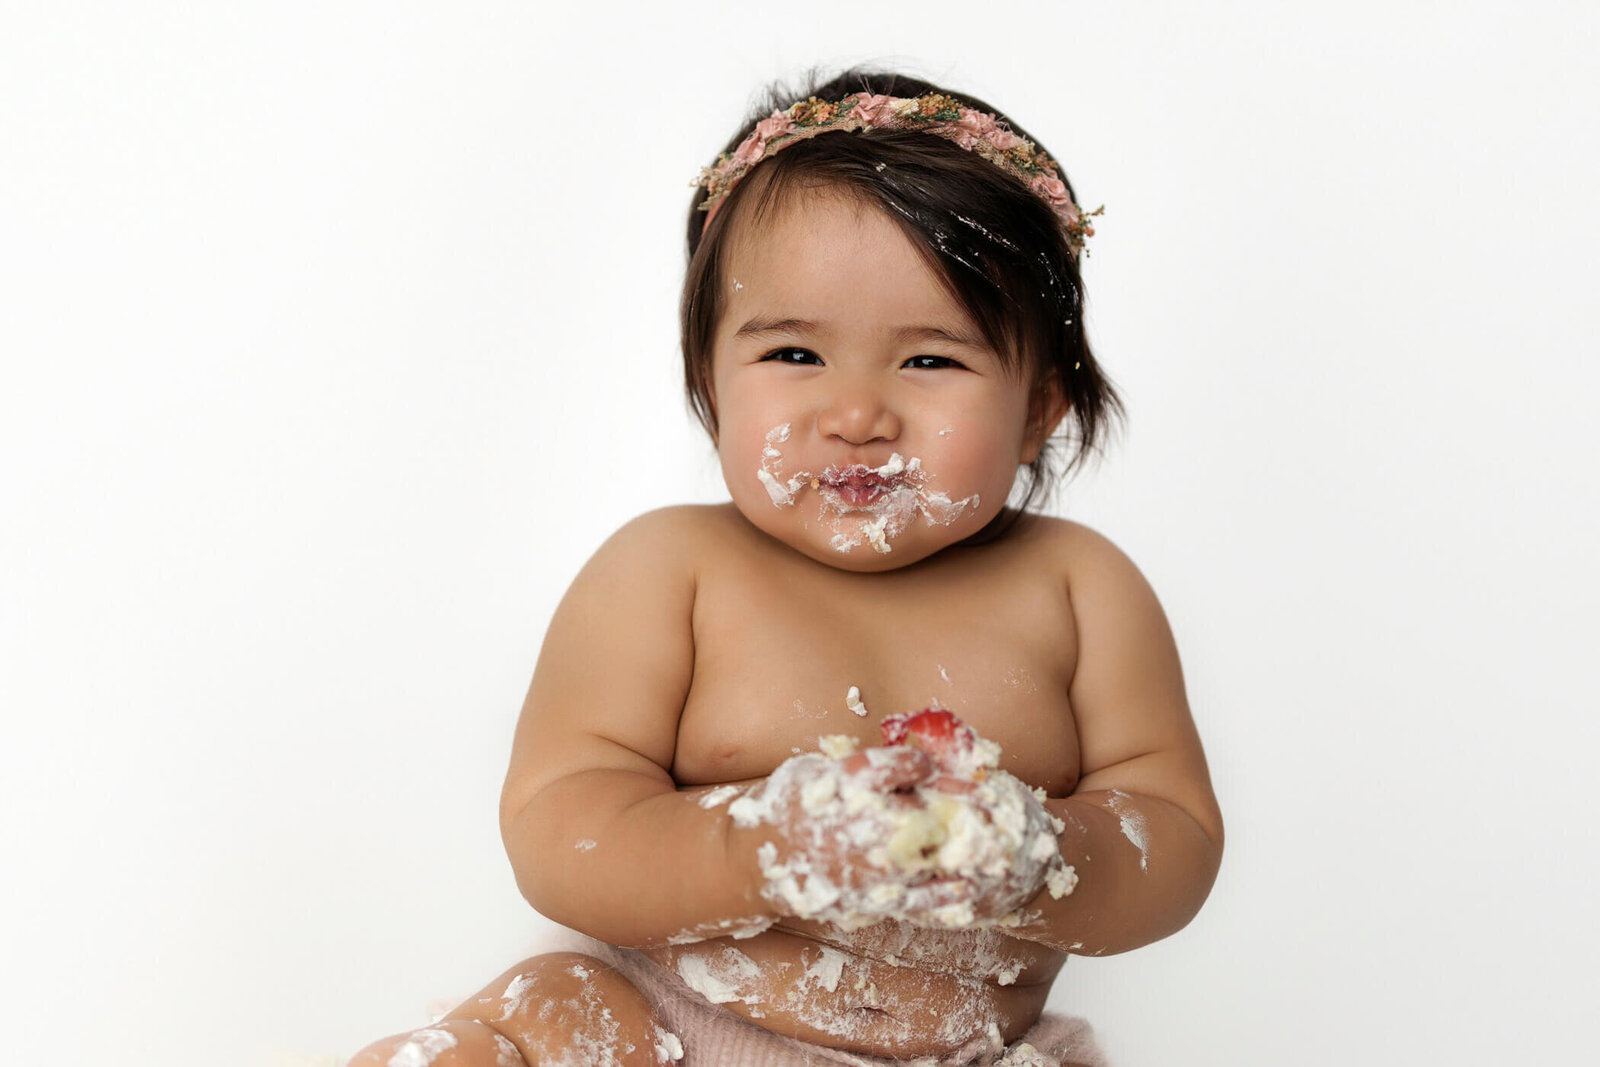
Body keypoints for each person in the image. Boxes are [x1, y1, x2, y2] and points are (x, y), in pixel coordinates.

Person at [347, 67, 1223, 1067]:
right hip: (657, 1026)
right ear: (708, 381)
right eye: (795, 356)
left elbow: (1175, 833)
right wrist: (760, 843)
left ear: (1038, 406)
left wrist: (1039, 856)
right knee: (536, 1025)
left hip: (962, 1049)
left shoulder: (1081, 590)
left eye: (931, 360)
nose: (855, 413)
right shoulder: (668, 571)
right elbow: (560, 824)